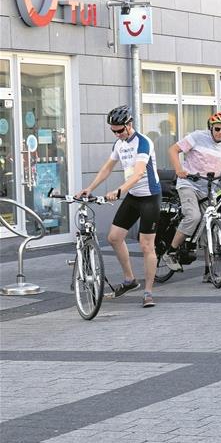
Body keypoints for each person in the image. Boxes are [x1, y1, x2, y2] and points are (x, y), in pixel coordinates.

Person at [77, 106, 162, 306]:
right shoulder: (119, 144)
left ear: (129, 125)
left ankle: (148, 292)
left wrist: (119, 191)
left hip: (150, 197)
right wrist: (89, 188)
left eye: (120, 130)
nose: (117, 134)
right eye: (113, 131)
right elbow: (107, 168)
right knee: (114, 237)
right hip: (133, 195)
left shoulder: (143, 142)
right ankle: (129, 280)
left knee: (146, 246)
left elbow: (139, 173)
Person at [164, 112, 221, 272]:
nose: (220, 133)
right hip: (189, 183)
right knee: (193, 216)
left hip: (209, 187)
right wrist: (179, 169)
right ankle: (171, 252)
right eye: (217, 129)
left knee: (210, 226)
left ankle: (210, 270)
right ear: (211, 128)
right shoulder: (197, 136)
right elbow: (173, 150)